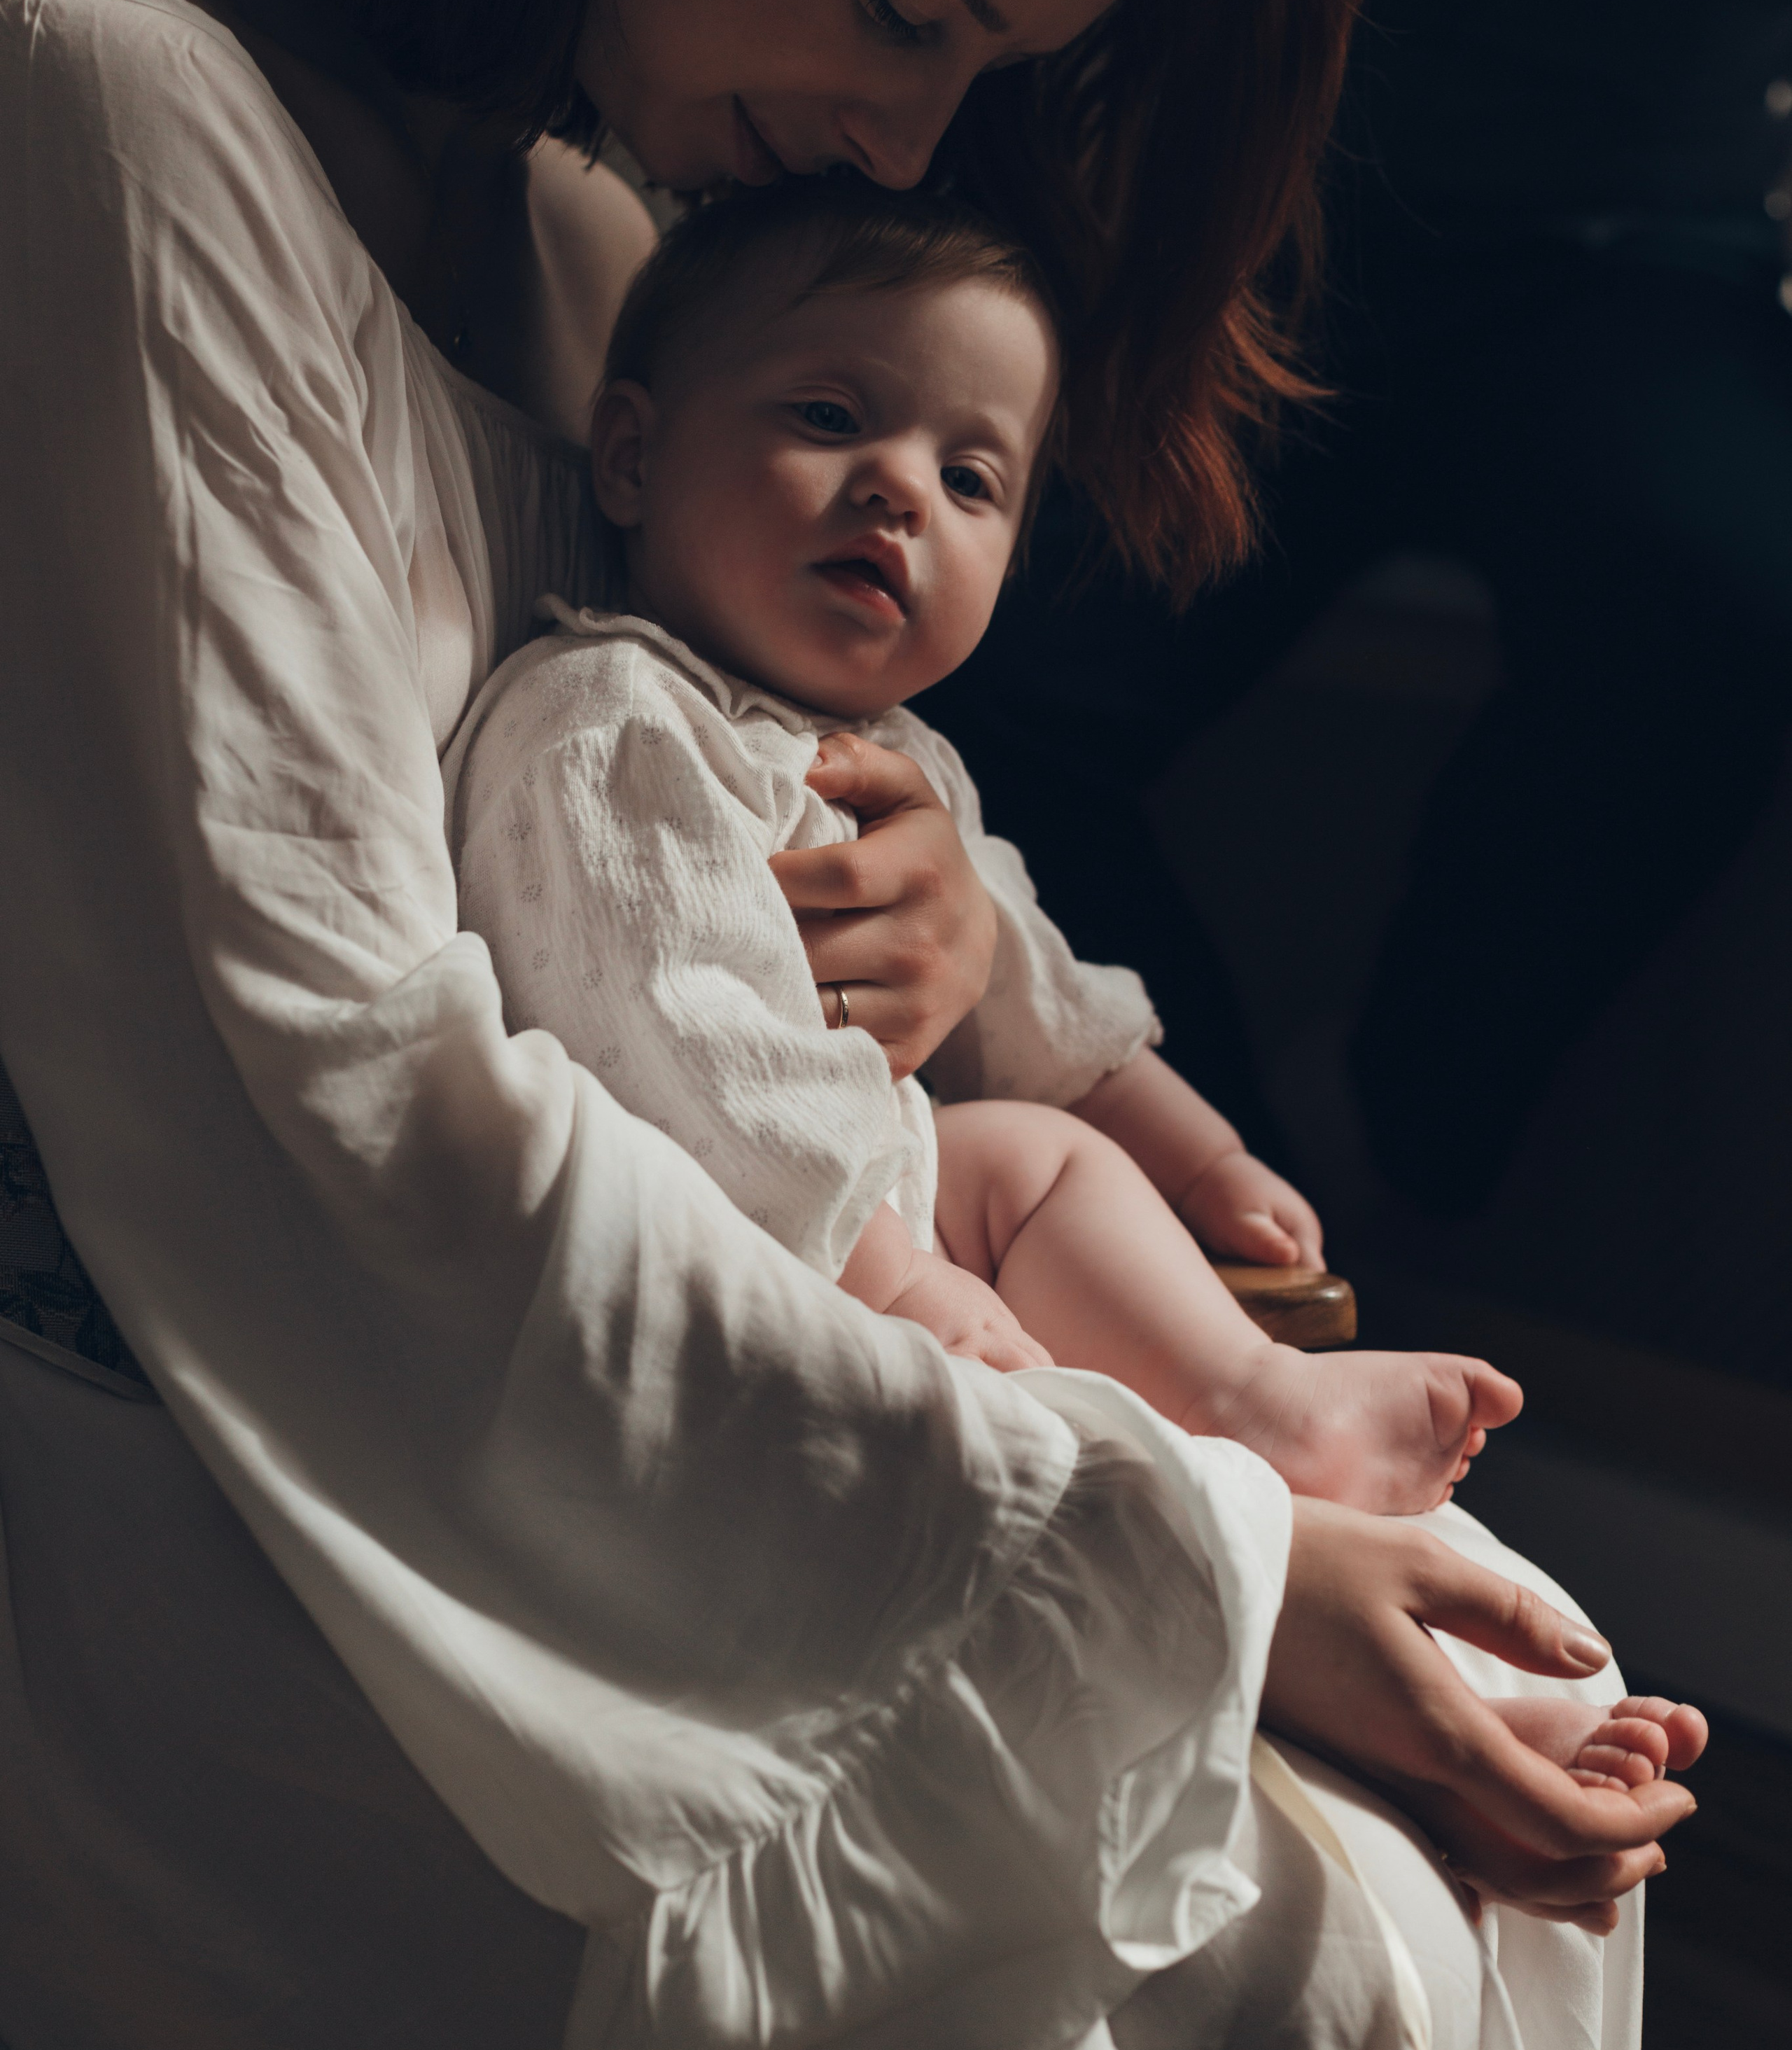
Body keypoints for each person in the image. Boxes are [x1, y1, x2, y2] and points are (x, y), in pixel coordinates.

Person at [0, 0, 1698, 2050]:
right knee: (1291, 1946)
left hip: (633, 1367)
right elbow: (334, 1110)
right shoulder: (107, 121)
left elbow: (692, 825)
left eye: (979, 68)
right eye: (906, 6)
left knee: (1504, 1728)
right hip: (253, 1488)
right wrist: (1191, 1572)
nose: (912, 140)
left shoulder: (592, 241)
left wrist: (908, 889)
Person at [448, 174, 1551, 1516]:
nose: (900, 488)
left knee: (1040, 1154)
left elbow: (1036, 989)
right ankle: (1144, 1421)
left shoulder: (908, 762)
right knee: (963, 1177)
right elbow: (685, 1055)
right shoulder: (611, 719)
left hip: (874, 1203)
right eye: (830, 417)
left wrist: (1210, 1168)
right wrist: (901, 1284)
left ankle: (1256, 1405)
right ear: (631, 455)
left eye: (970, 478)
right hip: (696, 1234)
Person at [920, 0, 1792, 1225]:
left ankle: (1392, 1137)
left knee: (1730, 599)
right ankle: (1209, 1193)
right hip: (1281, 238)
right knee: (994, 653)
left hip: (1635, 272)